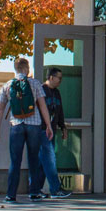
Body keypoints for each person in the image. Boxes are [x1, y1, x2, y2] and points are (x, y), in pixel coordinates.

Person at [0, 57, 56, 203]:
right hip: (34, 125)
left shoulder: (7, 85)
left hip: (16, 125)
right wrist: (49, 125)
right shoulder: (35, 83)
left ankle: (11, 195)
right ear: (27, 69)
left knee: (15, 160)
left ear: (15, 69)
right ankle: (34, 193)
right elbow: (43, 106)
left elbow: (0, 110)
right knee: (33, 158)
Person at [36, 68, 73, 199]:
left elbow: (59, 111)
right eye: (59, 78)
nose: (60, 81)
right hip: (42, 130)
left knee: (43, 162)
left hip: (51, 131)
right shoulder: (41, 91)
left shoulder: (56, 93)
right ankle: (55, 189)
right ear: (51, 77)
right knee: (50, 159)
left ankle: (35, 189)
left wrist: (62, 127)